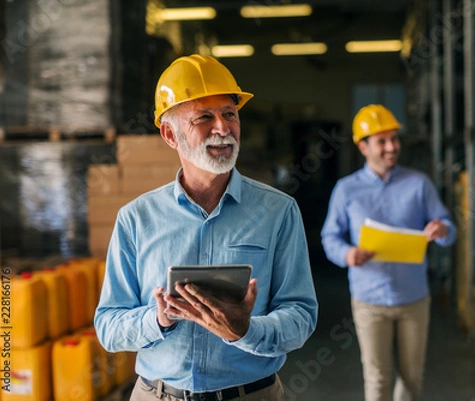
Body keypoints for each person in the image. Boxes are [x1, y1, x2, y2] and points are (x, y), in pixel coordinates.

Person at [94, 54, 318, 401]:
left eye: (230, 114)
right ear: (170, 134)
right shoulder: (136, 218)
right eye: (204, 117)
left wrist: (246, 331)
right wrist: (158, 319)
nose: (223, 128)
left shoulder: (278, 212)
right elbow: (109, 327)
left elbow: (301, 315)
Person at [320, 104, 456, 401]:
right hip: (370, 301)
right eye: (382, 141)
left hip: (414, 299)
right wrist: (347, 254)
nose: (392, 147)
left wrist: (442, 230)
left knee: (411, 378)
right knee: (378, 378)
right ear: (363, 146)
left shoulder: (419, 184)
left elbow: (448, 226)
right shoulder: (346, 190)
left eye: (394, 139)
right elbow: (329, 237)